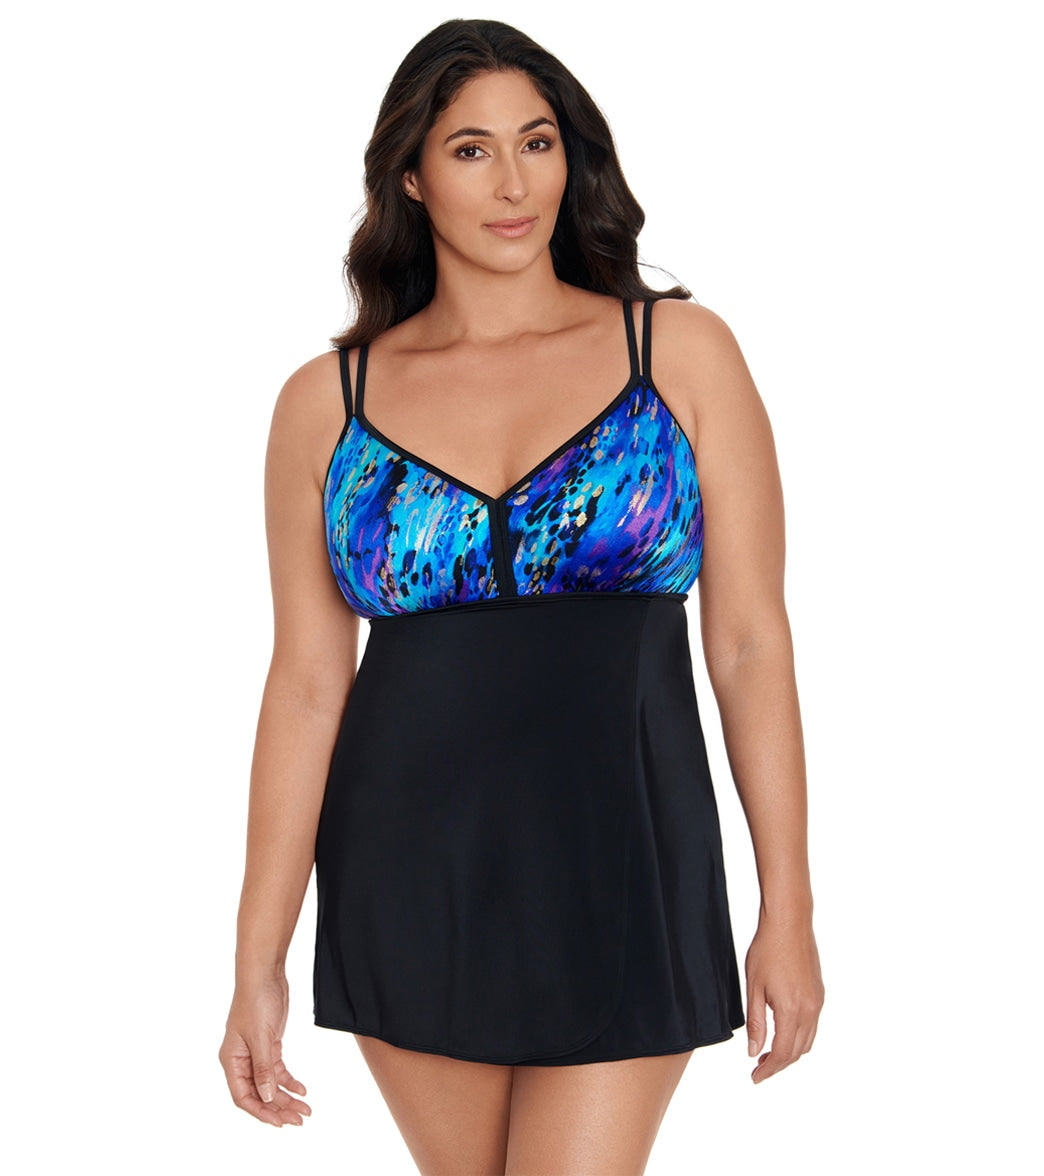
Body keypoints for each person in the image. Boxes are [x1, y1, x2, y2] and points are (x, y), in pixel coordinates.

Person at [219, 16, 824, 1174]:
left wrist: (786, 906)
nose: (514, 183)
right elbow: (304, 687)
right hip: (410, 868)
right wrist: (259, 961)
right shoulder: (325, 404)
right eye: (471, 150)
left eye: (537, 143)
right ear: (409, 176)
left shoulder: (679, 354)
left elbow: (750, 643)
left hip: (630, 856)